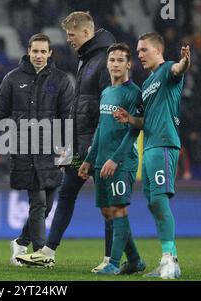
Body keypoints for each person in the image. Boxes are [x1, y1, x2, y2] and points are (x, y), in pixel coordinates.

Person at [15, 11, 116, 268]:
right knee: (67, 194)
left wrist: (96, 146)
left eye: (71, 35)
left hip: (99, 144)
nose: (68, 40)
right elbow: (76, 109)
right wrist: (67, 150)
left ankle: (111, 259)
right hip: (80, 145)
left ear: (85, 32)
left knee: (108, 203)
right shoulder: (87, 58)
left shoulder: (105, 60)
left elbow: (109, 106)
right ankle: (47, 252)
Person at [0, 33, 73, 267]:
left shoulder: (61, 80)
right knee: (38, 203)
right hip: (25, 149)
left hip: (51, 152)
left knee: (47, 206)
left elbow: (67, 118)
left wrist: (67, 151)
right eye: (35, 51)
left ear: (50, 53)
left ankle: (21, 241)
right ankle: (41, 254)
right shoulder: (12, 79)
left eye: (43, 51)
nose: (38, 55)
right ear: (28, 51)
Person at [113, 33, 191, 279]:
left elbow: (180, 69)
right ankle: (171, 260)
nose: (139, 54)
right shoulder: (147, 85)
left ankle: (168, 260)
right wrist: (130, 120)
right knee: (152, 202)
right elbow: (145, 121)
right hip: (150, 147)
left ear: (158, 50)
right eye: (138, 51)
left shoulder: (167, 69)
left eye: (143, 50)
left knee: (159, 201)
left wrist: (185, 61)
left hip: (164, 145)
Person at [77, 43, 145, 275]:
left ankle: (114, 263)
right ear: (107, 64)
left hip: (121, 162)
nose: (115, 64)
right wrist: (89, 158)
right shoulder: (106, 92)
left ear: (129, 64)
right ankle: (135, 260)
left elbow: (133, 132)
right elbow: (101, 129)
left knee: (118, 210)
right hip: (100, 162)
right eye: (112, 60)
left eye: (120, 60)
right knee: (107, 212)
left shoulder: (134, 93)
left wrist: (115, 159)